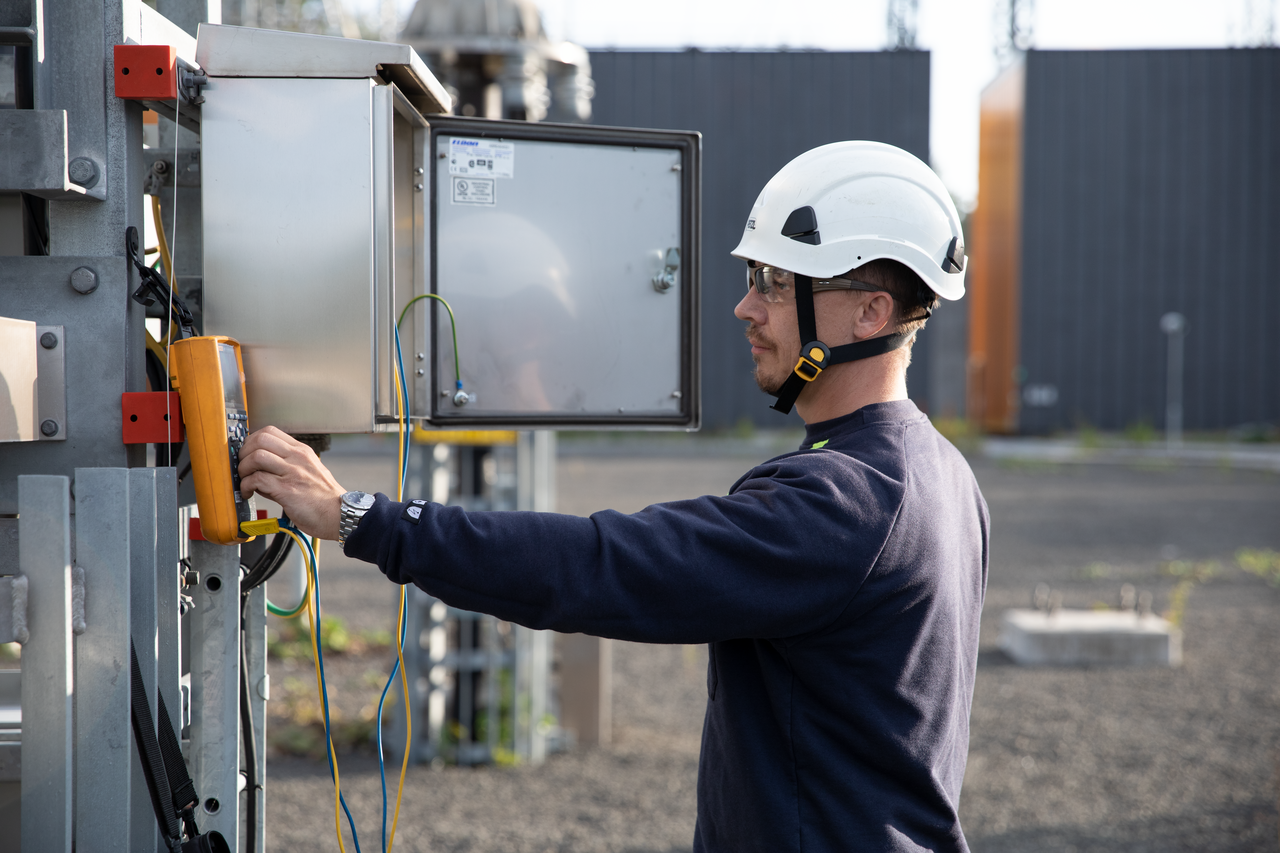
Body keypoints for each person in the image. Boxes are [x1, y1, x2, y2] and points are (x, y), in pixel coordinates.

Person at [239, 141, 989, 853]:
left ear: (870, 313)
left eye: (777, 284)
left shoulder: (845, 501)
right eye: (755, 277)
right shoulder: (939, 471)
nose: (746, 309)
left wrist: (362, 517)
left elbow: (603, 566)